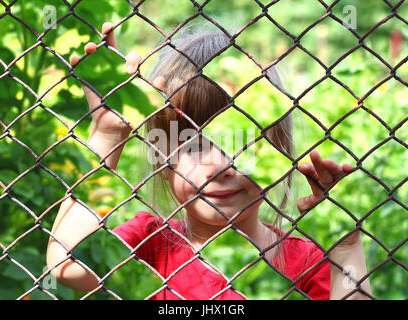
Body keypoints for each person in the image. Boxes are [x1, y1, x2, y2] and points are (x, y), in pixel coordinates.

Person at [46, 22, 372, 300]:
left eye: (243, 141)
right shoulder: (149, 245)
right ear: (163, 159)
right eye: (193, 145)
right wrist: (107, 137)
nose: (219, 166)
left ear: (281, 149)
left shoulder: (303, 262)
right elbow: (68, 264)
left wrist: (345, 245)